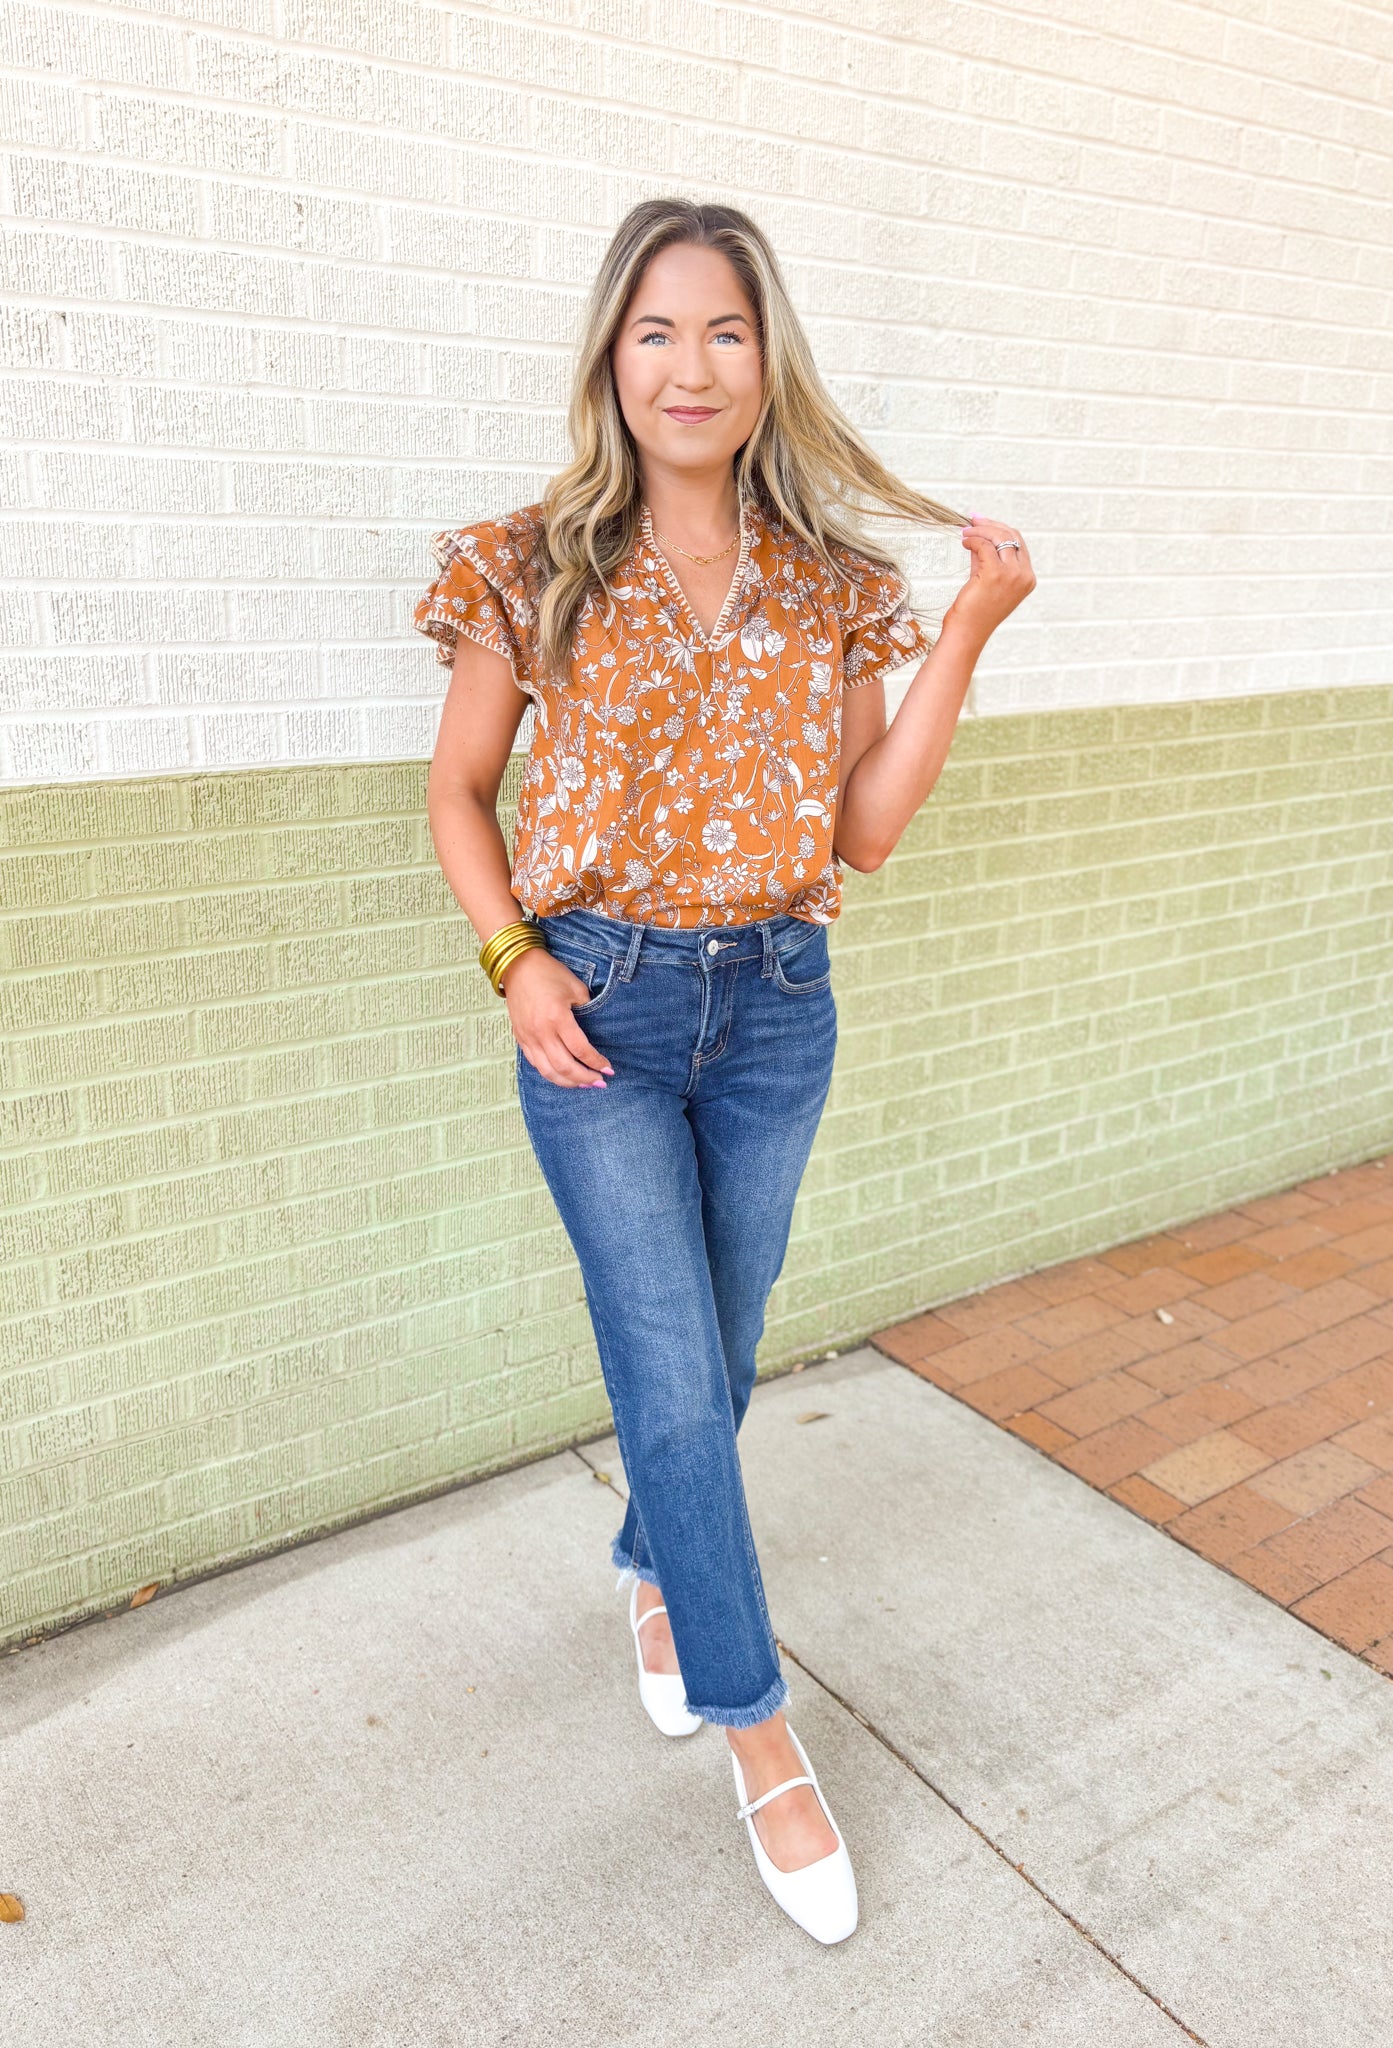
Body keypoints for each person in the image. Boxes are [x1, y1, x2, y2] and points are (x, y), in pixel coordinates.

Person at [416, 198, 1034, 1945]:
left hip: (776, 1001)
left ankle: (649, 1569)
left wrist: (972, 626)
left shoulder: (836, 581)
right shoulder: (524, 563)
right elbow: (461, 794)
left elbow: (867, 832)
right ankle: (760, 1729)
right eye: (656, 332)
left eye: (725, 333)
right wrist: (511, 958)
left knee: (729, 1344)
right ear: (611, 357)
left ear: (770, 362)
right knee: (673, 1381)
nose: (690, 367)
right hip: (591, 1011)